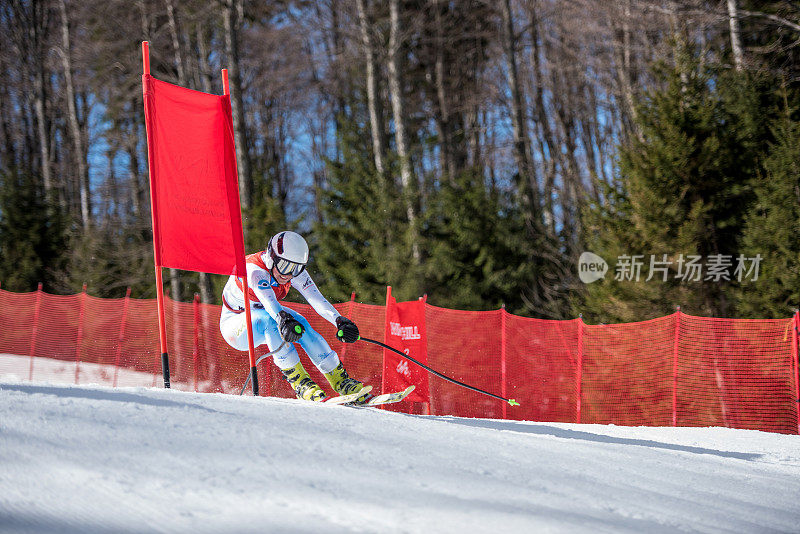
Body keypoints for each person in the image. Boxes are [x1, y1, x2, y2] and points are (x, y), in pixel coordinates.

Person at [219, 230, 367, 402]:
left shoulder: (291, 271)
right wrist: (282, 319)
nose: (288, 274)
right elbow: (268, 301)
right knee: (271, 321)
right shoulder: (254, 271)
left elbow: (316, 298)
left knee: (301, 323)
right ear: (271, 257)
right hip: (235, 325)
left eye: (296, 268)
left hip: (264, 313)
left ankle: (341, 380)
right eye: (285, 266)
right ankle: (300, 383)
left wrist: (339, 321)